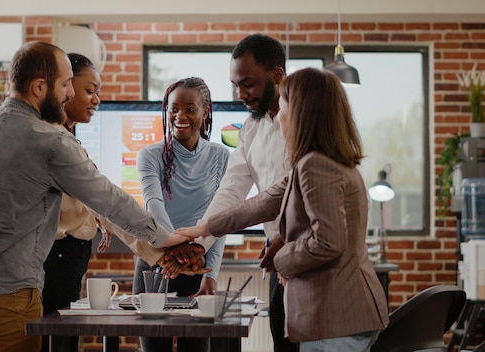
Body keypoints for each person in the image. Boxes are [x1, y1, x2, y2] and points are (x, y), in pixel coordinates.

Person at [0, 41, 181, 352]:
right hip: (7, 297)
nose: (69, 94)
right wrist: (164, 239)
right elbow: (108, 199)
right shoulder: (50, 140)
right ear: (40, 86)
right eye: (66, 84)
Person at [174, 67, 390, 352]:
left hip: (334, 316)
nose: (279, 115)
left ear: (302, 111)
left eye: (284, 105)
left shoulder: (316, 166)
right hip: (348, 314)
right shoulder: (325, 161)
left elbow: (328, 243)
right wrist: (203, 229)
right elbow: (264, 201)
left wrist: (282, 260)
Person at [180, 33, 297, 352]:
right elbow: (230, 191)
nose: (241, 93)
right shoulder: (251, 129)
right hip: (278, 261)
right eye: (236, 85)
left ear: (277, 75)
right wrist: (200, 244)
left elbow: (301, 195)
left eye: (249, 83)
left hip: (306, 260)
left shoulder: (305, 121)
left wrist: (287, 240)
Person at [132, 77, 229, 352]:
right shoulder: (149, 155)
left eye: (190, 108)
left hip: (199, 265)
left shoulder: (222, 157)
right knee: (153, 349)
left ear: (205, 112)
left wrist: (211, 276)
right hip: (155, 263)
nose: (180, 116)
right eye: (173, 108)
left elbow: (217, 222)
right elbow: (154, 205)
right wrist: (177, 249)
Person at [41, 53, 110, 352]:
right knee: (57, 342)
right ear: (64, 88)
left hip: (69, 257)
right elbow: (100, 195)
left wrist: (96, 220)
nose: (96, 100)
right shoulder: (54, 139)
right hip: (57, 257)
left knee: (64, 341)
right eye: (89, 90)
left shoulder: (68, 135)